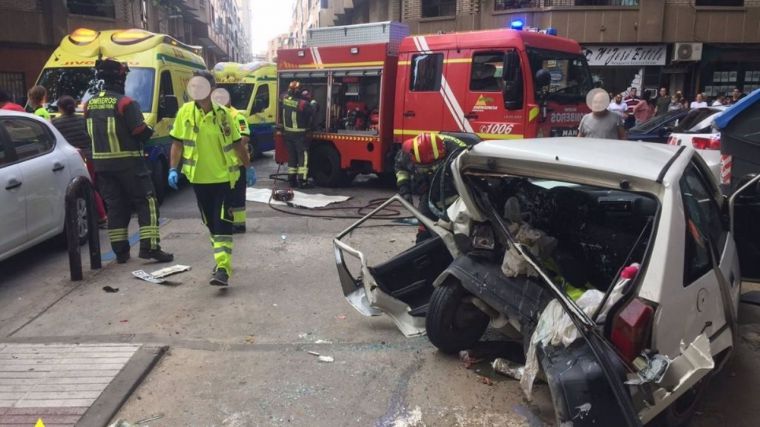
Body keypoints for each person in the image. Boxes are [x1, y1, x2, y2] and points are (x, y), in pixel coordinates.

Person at [167, 70, 253, 287]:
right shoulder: (184, 113)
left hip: (224, 179)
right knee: (211, 223)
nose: (197, 90)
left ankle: (223, 267)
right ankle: (220, 262)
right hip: (198, 180)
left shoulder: (224, 115)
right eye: (194, 86)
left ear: (212, 89)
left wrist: (247, 166)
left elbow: (237, 145)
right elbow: (177, 143)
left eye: (202, 86)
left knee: (222, 222)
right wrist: (172, 169)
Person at [84, 58, 173, 264]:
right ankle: (150, 247)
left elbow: (89, 133)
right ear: (120, 78)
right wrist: (149, 130)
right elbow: (140, 132)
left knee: (115, 206)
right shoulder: (125, 103)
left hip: (102, 165)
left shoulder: (89, 104)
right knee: (147, 202)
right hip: (129, 164)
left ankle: (121, 252)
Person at [395, 132, 468, 243]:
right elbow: (401, 168)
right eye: (424, 168)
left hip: (456, 191)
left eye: (433, 167)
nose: (429, 171)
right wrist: (404, 190)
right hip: (429, 192)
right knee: (425, 223)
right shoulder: (408, 152)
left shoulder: (460, 154)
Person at [53, 95, 107, 226]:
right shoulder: (83, 119)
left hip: (73, 158)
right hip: (90, 156)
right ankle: (100, 216)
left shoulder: (56, 123)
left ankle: (100, 216)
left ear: (60, 108)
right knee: (91, 185)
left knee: (82, 188)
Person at [281, 81, 316, 188]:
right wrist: (313, 101)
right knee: (303, 157)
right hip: (299, 135)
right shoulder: (302, 103)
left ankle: (292, 180)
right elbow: (313, 110)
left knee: (292, 157)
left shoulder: (285, 100)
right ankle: (302, 181)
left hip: (288, 134)